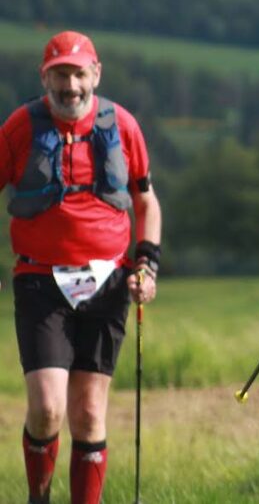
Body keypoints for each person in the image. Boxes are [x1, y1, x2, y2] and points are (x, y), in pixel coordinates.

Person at [1, 31, 161, 504]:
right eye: (59, 74)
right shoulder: (19, 128)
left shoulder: (123, 125)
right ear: (44, 77)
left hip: (108, 280)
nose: (69, 85)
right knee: (47, 408)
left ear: (95, 73)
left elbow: (146, 202)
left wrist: (147, 265)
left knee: (89, 414)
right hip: (39, 280)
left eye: (77, 73)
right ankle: (39, 497)